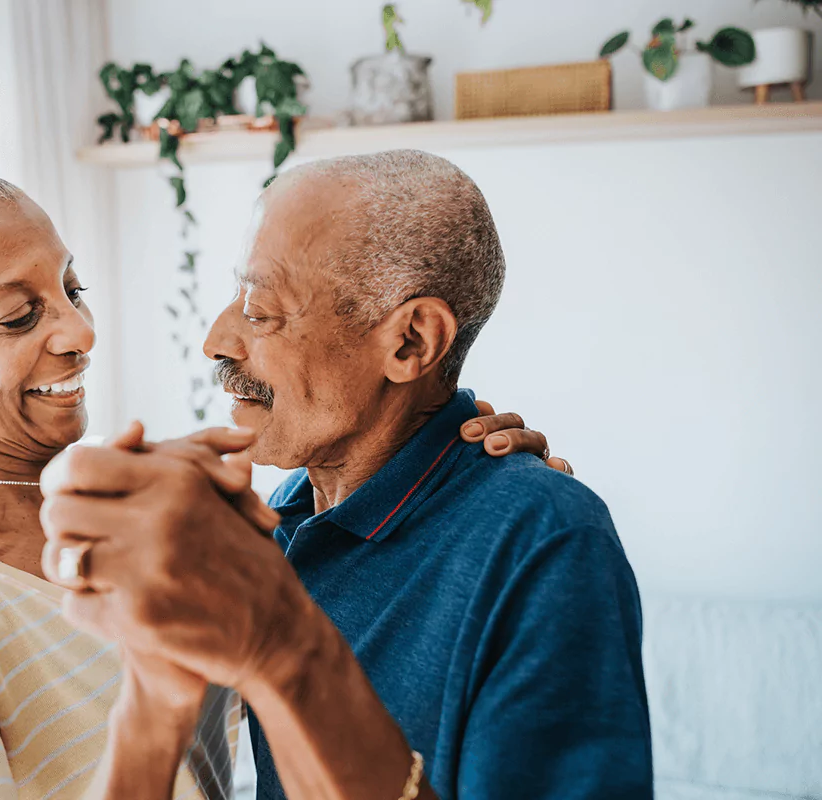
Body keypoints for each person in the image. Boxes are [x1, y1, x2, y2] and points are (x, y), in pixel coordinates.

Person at [0, 120, 559, 799]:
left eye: (69, 289)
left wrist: (475, 487)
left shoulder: (150, 499)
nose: (78, 333)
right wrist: (153, 710)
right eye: (17, 316)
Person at [38, 151, 653, 799]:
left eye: (261, 308)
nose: (215, 342)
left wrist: (290, 650)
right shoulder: (287, 513)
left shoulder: (546, 541)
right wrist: (155, 686)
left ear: (411, 342)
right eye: (234, 295)